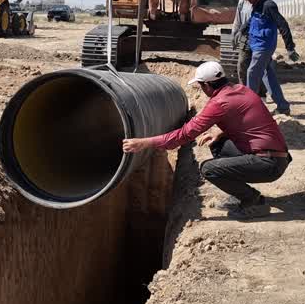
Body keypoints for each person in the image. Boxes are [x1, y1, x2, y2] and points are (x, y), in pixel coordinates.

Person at [122, 61, 290, 218]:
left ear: (207, 85)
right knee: (218, 145)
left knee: (209, 169)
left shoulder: (219, 103)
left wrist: (144, 143)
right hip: (276, 155)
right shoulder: (240, 90)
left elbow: (184, 135)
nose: (201, 89)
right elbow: (252, 124)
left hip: (269, 164)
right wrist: (220, 133)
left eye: (200, 85)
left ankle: (253, 201)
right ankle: (239, 192)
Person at [240, 0, 297, 115]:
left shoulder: (268, 5)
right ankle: (283, 107)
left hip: (264, 47)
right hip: (257, 45)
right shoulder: (256, 5)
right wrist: (242, 29)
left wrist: (289, 47)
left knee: (252, 73)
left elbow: (283, 25)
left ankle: (249, 109)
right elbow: (254, 21)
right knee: (267, 75)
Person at [231, 0, 267, 99]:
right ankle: (244, 95)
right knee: (242, 65)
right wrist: (234, 34)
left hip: (258, 38)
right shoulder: (242, 1)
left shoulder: (262, 3)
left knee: (258, 69)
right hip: (245, 36)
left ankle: (261, 94)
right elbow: (238, 19)